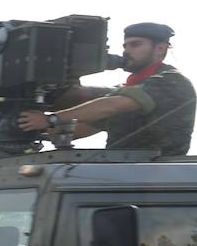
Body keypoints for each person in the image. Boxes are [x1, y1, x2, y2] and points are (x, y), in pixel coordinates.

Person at [18, 23, 195, 156]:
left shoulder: (171, 81)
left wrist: (51, 119)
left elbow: (112, 106)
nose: (126, 51)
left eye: (135, 45)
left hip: (157, 173)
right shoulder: (129, 87)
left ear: (160, 49)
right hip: (125, 169)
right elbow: (81, 129)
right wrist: (29, 127)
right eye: (125, 46)